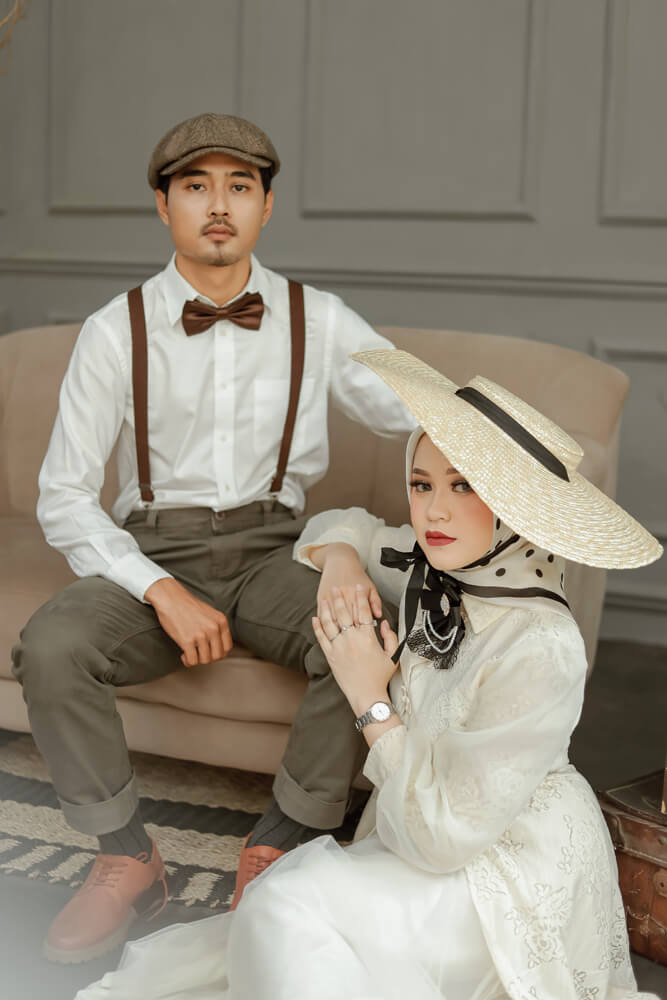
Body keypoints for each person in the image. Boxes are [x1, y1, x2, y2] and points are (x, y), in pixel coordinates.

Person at [75, 350, 662, 999]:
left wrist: (367, 694)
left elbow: (444, 840)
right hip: (410, 829)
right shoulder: (432, 567)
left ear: (517, 506)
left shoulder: (541, 645)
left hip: (504, 870)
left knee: (282, 911)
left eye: (464, 486)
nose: (433, 512)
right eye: (421, 484)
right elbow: (336, 524)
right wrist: (343, 566)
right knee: (278, 911)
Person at [11, 113, 415, 964]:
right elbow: (65, 495)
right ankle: (127, 855)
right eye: (196, 186)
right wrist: (160, 590)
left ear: (266, 204)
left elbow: (417, 412)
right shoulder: (114, 328)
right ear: (165, 206)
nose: (218, 205)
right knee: (51, 644)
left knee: (362, 636)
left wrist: (498, 440)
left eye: (239, 186)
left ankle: (280, 843)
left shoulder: (318, 318)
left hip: (275, 550)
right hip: (154, 552)